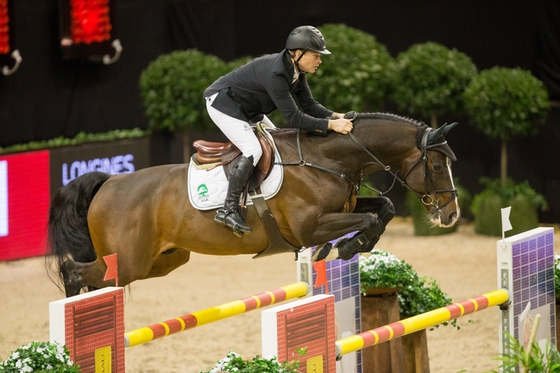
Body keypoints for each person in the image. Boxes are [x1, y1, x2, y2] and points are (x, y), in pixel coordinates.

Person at [203, 25, 354, 236]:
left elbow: (309, 106)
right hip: (223, 103)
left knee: (281, 145)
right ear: (298, 53)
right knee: (253, 150)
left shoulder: (296, 71)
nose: (319, 60)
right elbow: (294, 118)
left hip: (248, 108)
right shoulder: (276, 73)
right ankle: (228, 209)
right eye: (315, 55)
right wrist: (331, 126)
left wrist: (334, 116)